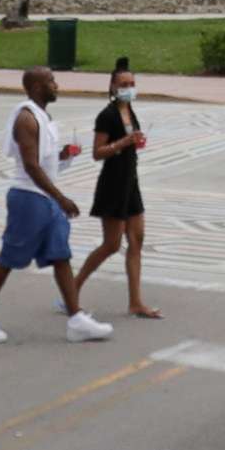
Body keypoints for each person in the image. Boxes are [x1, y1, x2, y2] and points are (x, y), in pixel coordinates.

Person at [0, 69, 115, 345]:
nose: (56, 86)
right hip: (28, 198)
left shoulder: (43, 117)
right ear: (36, 87)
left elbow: (44, 160)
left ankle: (76, 319)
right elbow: (31, 166)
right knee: (9, 258)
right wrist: (61, 198)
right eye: (51, 82)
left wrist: (63, 155)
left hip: (45, 199)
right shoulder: (26, 118)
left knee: (61, 255)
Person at [73, 58, 159, 319]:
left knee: (137, 241)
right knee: (111, 245)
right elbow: (97, 153)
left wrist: (135, 142)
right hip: (112, 184)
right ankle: (71, 289)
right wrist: (123, 142)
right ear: (112, 87)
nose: (129, 88)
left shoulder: (130, 111)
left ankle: (136, 302)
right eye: (123, 84)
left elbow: (129, 142)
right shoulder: (107, 115)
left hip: (131, 183)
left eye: (132, 84)